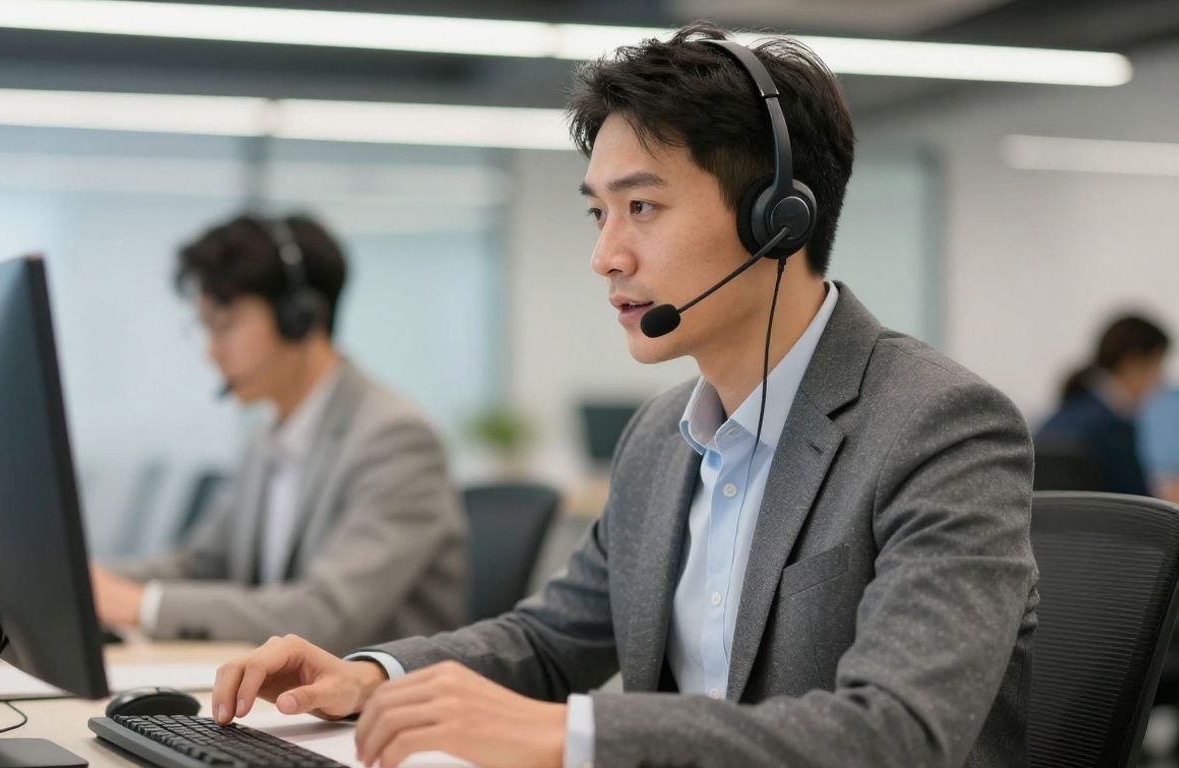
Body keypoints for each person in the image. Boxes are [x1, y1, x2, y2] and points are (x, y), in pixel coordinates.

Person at [210, 24, 1038, 768]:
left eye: (641, 207)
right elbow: (546, 641)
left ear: (777, 220)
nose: (605, 256)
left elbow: (896, 735)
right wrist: (372, 673)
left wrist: (572, 736)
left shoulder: (940, 429)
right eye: (598, 214)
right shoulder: (662, 437)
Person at [90, 213, 469, 651]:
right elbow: (202, 565)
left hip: (371, 707)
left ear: (299, 317)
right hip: (286, 697)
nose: (211, 351)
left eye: (225, 324)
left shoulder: (395, 439)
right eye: (205, 328)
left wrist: (143, 606)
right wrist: (86, 583)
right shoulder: (269, 437)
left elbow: (325, 614)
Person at [1037, 314, 1170, 496]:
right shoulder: (1115, 428)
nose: (1160, 381)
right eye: (1157, 367)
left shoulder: (1054, 421)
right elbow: (1141, 509)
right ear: (1133, 364)